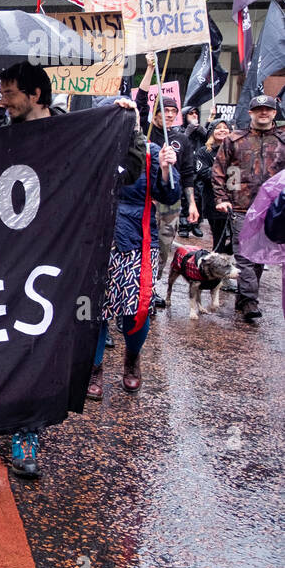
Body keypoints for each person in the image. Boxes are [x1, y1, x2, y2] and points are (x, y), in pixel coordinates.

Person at [0, 61, 145, 479]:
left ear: (35, 95)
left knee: (38, 343)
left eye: (9, 94)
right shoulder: (2, 139)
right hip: (8, 259)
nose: (3, 102)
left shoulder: (80, 132)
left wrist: (124, 126)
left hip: (58, 262)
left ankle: (28, 431)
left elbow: (129, 168)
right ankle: (1, 411)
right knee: (6, 340)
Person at [88, 126, 180, 401]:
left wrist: (166, 169)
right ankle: (94, 368)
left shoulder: (152, 154)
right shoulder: (93, 147)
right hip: (96, 239)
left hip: (138, 242)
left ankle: (132, 359)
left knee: (136, 310)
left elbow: (169, 197)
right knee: (95, 310)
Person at [212, 94, 285, 323]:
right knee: (243, 255)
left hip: (272, 210)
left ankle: (244, 299)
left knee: (259, 256)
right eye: (258, 109)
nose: (263, 113)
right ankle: (251, 300)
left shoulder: (283, 141)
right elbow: (218, 171)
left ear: (274, 113)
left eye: (268, 109)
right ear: (251, 112)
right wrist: (221, 198)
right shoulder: (234, 140)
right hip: (240, 207)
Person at [148, 96, 198, 305]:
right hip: (146, 200)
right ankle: (140, 285)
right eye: (164, 110)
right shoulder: (145, 132)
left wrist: (192, 203)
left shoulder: (181, 140)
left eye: (173, 111)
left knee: (163, 247)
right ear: (155, 112)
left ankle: (151, 288)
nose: (168, 115)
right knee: (144, 245)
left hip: (171, 203)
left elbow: (187, 174)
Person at [193, 120, 232, 251]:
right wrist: (225, 169)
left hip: (234, 200)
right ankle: (216, 265)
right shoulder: (203, 152)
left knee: (236, 237)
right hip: (213, 200)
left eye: (225, 128)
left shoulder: (236, 150)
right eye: (218, 128)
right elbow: (204, 173)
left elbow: (239, 174)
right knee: (219, 237)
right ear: (211, 132)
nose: (222, 130)